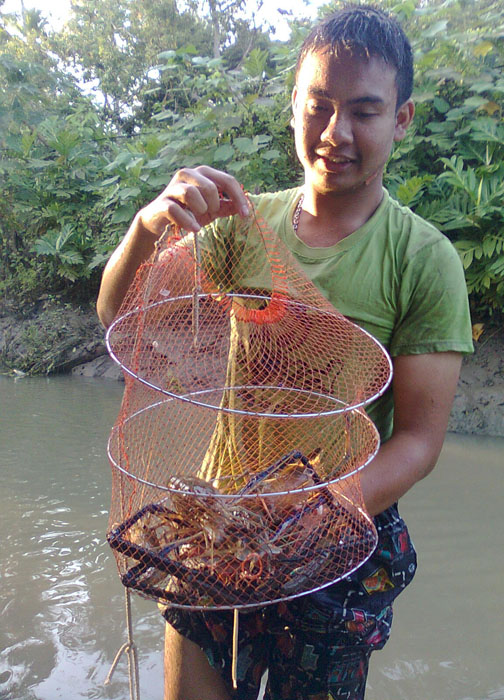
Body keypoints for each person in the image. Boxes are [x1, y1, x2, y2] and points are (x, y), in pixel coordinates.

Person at [97, 5, 474, 699]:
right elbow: (121, 316)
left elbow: (418, 441)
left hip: (335, 540)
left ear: (403, 119)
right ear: (293, 107)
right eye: (318, 106)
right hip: (219, 523)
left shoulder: (423, 260)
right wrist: (146, 227)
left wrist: (306, 513)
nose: (335, 133)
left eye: (364, 110)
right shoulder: (244, 226)